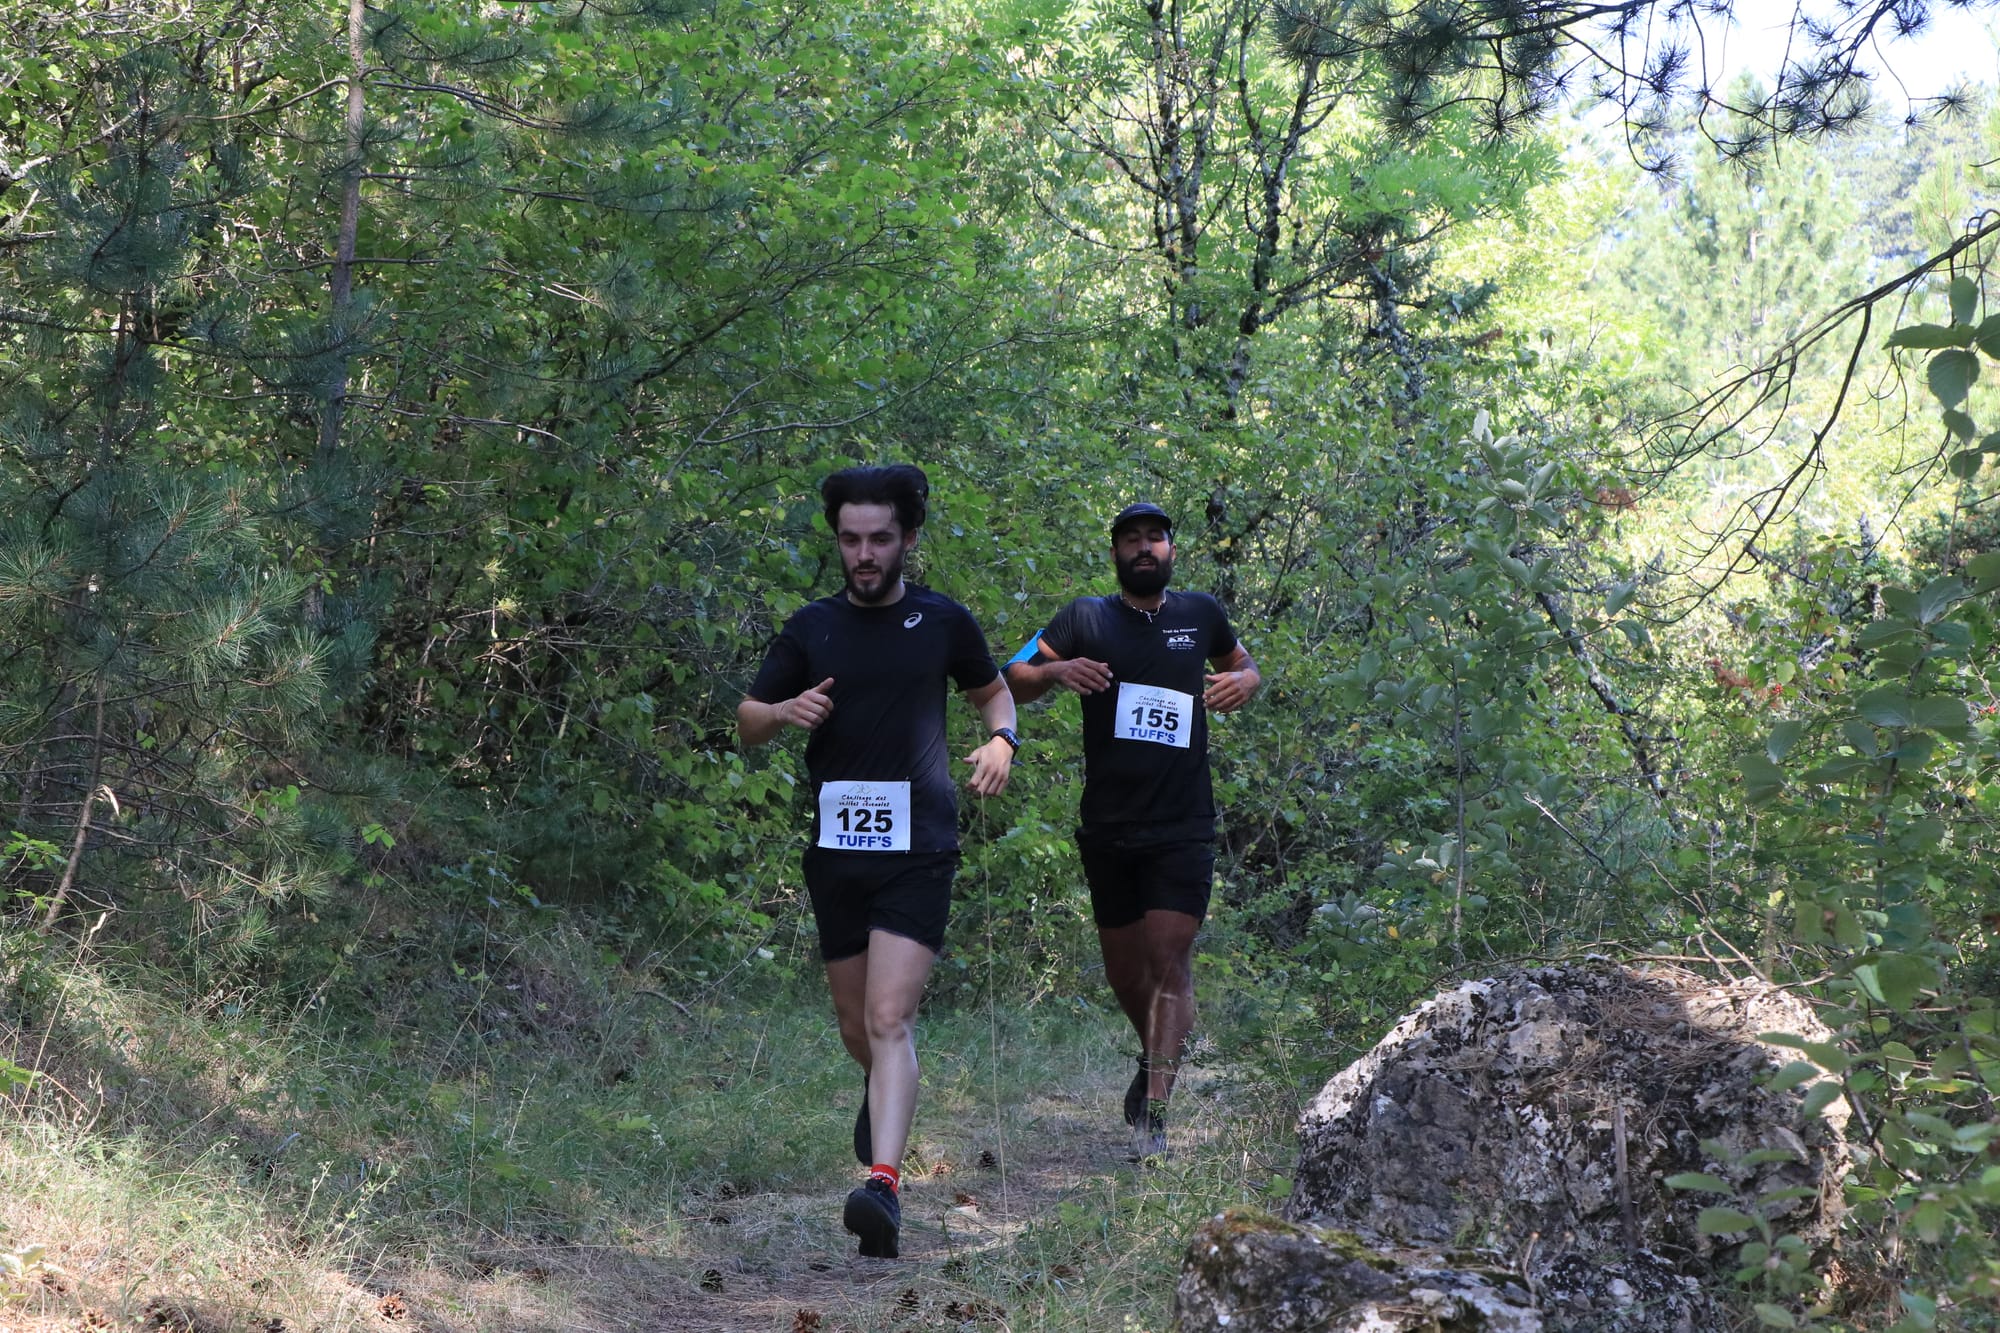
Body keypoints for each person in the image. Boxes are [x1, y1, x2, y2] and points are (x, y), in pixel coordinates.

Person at [737, 464, 1019, 1260]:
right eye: (851, 539)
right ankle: (880, 1090)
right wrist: (783, 711)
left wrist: (1003, 739)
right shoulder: (811, 627)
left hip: (919, 846)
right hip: (837, 851)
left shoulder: (942, 621)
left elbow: (995, 695)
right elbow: (747, 719)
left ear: (908, 540)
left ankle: (884, 1186)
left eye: (880, 539)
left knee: (890, 1018)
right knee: (857, 1025)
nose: (864, 554)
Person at [1004, 501, 1259, 1157]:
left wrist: (1244, 682)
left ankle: (1155, 1114)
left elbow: (1243, 664)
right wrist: (1057, 670)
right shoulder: (1084, 617)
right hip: (1109, 823)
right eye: (1131, 539)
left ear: (1172, 549)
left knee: (1168, 958)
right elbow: (1013, 672)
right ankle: (1156, 1054)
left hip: (1183, 822)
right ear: (1115, 552)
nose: (1144, 548)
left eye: (1155, 538)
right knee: (1126, 970)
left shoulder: (1200, 614)